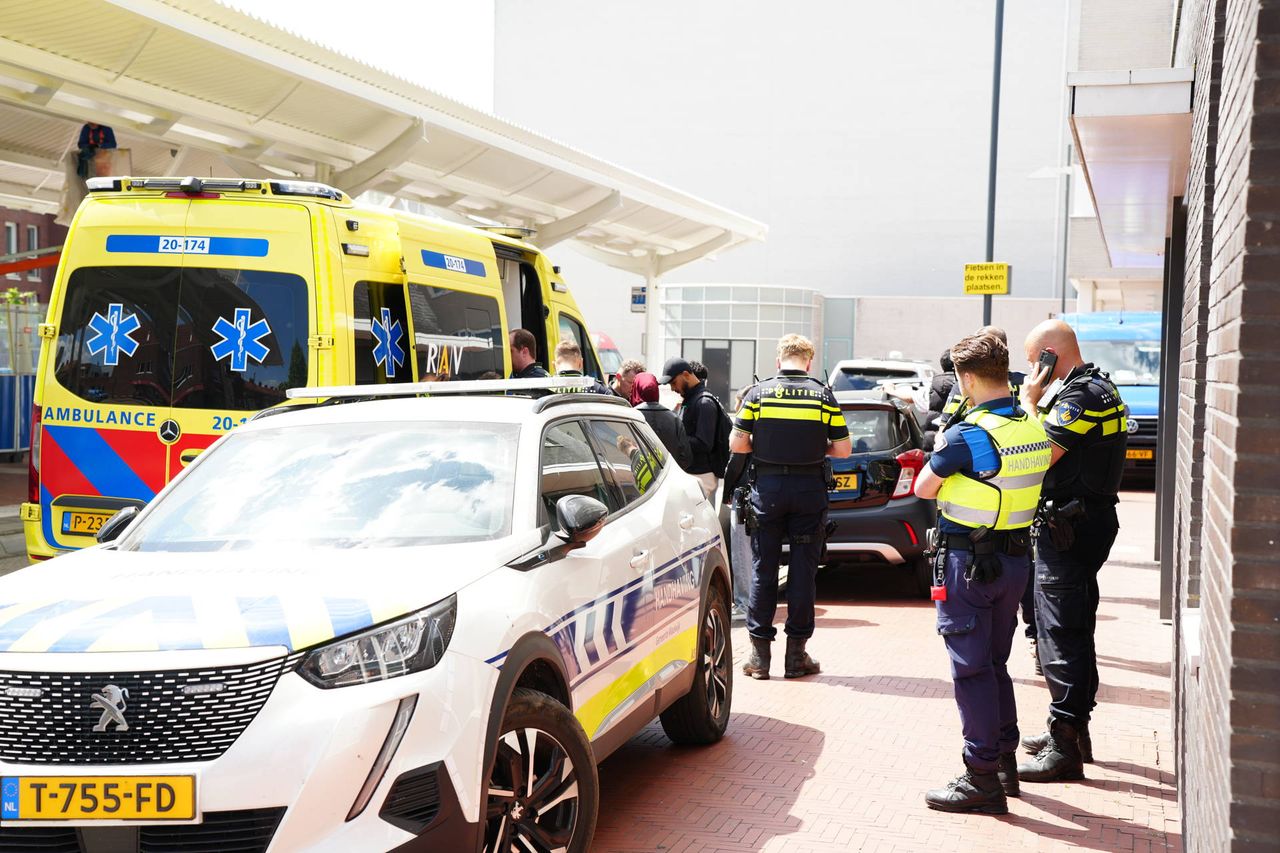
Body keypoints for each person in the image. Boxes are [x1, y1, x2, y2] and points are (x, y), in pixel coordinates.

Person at [912, 333, 1052, 815]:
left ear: (967, 378)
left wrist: (946, 449)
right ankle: (1004, 762)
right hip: (1015, 563)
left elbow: (923, 487)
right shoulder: (1033, 427)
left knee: (970, 671)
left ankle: (981, 778)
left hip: (968, 565)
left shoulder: (967, 434)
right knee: (994, 665)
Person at [1016, 319, 1128, 783]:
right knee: (1075, 628)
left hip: (1069, 527)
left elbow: (1040, 454)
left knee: (1060, 633)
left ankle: (1065, 747)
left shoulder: (1079, 398)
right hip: (1086, 521)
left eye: (1034, 362)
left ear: (1049, 356)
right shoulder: (1100, 388)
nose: (1032, 373)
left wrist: (1028, 402)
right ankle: (1073, 731)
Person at [730, 335, 851, 680]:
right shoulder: (822, 395)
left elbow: (737, 444)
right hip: (809, 490)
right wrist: (814, 451)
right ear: (809, 361)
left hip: (767, 490)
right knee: (803, 573)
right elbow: (843, 450)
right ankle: (796, 657)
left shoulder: (758, 393)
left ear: (779, 359)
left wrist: (768, 449)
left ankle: (759, 657)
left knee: (763, 569)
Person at [658, 356, 729, 499]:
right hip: (692, 473)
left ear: (685, 375)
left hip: (701, 475)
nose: (672, 388)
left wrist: (674, 438)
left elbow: (704, 443)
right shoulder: (691, 400)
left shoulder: (704, 403)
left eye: (673, 382)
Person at [722, 382, 759, 622]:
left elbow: (735, 462)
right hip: (760, 490)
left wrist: (725, 490)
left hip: (742, 492)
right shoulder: (766, 425)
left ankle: (744, 603)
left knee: (741, 550)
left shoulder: (745, 427)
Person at [633, 372, 692, 470]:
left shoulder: (630, 417)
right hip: (670, 478)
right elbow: (686, 457)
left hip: (638, 479)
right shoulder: (674, 419)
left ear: (637, 389)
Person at [923, 348, 956, 452]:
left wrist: (891, 389)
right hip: (956, 445)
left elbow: (912, 397)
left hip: (932, 446)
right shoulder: (967, 386)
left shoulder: (930, 386)